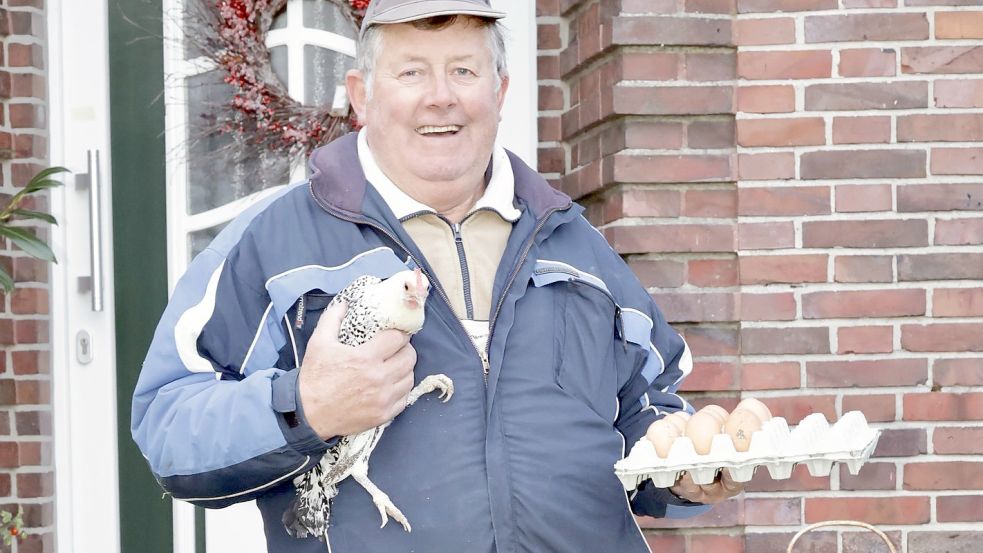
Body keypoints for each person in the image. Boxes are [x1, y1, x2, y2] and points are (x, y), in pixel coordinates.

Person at [131, 0, 743, 550]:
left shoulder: (575, 245)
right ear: (361, 95)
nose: (441, 96)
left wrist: (685, 462)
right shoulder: (272, 242)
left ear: (500, 90)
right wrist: (304, 407)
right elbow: (169, 430)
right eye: (411, 71)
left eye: (464, 70)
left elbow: (648, 410)